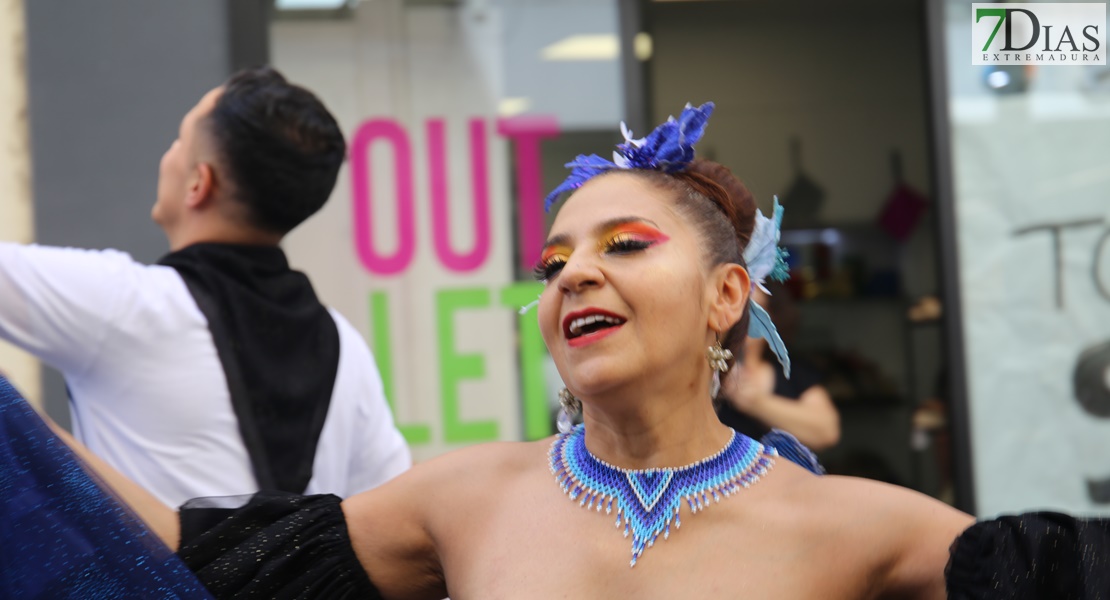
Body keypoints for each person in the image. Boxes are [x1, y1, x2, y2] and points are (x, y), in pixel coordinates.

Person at [3, 103, 1109, 598]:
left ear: (729, 295)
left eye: (624, 245)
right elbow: (187, 557)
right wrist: (19, 436)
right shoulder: (460, 501)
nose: (574, 273)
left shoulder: (866, 529)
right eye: (552, 263)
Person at [0, 67, 410, 508]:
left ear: (199, 183)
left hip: (147, 580)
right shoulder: (346, 349)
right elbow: (392, 509)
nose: (169, 153)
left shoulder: (129, 308)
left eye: (180, 139)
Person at [717, 282, 841, 450]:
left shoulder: (793, 372)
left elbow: (827, 431)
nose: (743, 319)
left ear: (772, 318)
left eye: (755, 309)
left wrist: (755, 403)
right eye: (737, 307)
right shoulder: (706, 372)